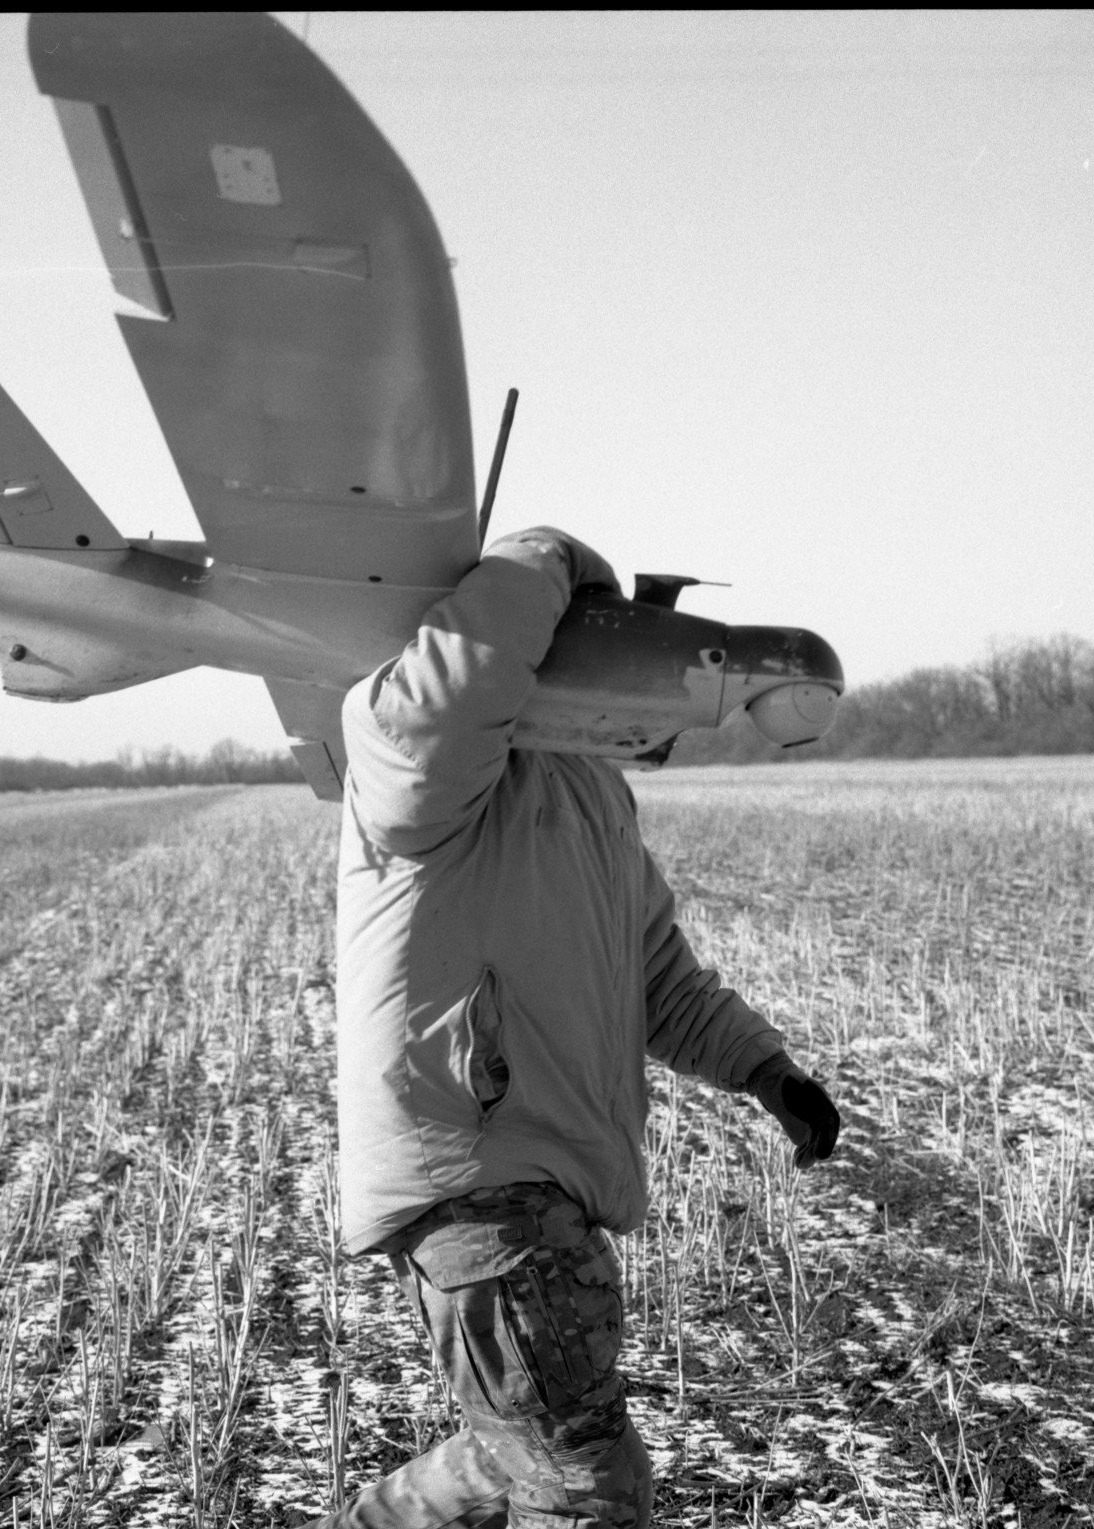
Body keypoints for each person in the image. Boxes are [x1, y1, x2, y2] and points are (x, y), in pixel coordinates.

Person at [320, 527, 841, 1528]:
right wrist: (555, 555)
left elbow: (661, 979)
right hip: (482, 1179)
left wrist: (770, 1072)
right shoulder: (418, 762)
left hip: (541, 1181)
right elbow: (445, 697)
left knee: (514, 1452)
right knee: (585, 1480)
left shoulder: (595, 793)